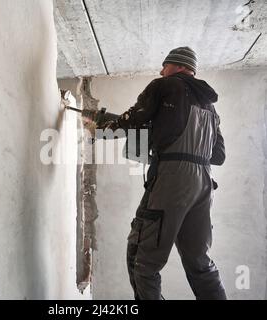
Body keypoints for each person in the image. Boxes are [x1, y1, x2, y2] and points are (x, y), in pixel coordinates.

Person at [85, 47, 227, 300]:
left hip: (172, 182)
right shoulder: (211, 108)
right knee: (199, 262)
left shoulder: (165, 85)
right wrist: (161, 136)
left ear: (180, 67)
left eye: (166, 65)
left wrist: (99, 127)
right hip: (203, 185)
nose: (162, 71)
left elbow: (133, 120)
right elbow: (218, 156)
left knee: (143, 262)